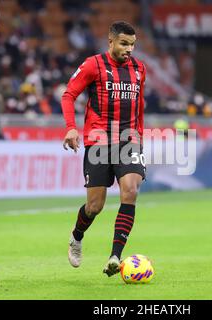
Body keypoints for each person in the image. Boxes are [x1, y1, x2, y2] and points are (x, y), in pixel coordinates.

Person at [61, 21, 146, 277]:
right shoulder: (92, 65)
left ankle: (115, 257)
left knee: (130, 191)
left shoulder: (140, 69)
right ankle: (77, 237)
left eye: (132, 44)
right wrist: (71, 127)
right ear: (110, 42)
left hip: (128, 140)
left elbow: (139, 105)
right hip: (98, 142)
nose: (129, 49)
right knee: (94, 206)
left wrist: (139, 136)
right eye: (123, 43)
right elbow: (68, 95)